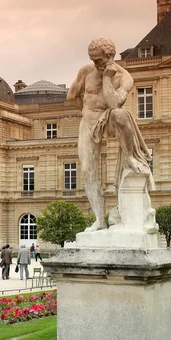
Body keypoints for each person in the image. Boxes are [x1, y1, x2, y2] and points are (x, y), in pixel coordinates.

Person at [67, 37, 153, 232]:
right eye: (92, 59)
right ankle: (99, 220)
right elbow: (71, 96)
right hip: (89, 120)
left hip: (109, 118)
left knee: (121, 114)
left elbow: (114, 103)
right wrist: (87, 112)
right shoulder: (86, 71)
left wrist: (106, 78)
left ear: (109, 56)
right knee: (88, 170)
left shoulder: (124, 77)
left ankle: (131, 156)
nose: (94, 63)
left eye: (98, 60)